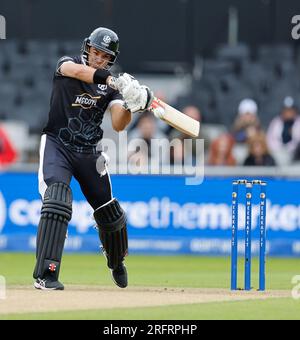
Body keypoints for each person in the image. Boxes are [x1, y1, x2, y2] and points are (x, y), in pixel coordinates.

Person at [33, 27, 153, 290]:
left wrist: (133, 104)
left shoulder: (112, 89)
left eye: (105, 55)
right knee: (57, 198)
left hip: (88, 152)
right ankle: (46, 274)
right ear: (87, 48)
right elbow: (77, 73)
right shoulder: (67, 64)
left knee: (110, 213)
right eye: (96, 52)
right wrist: (110, 80)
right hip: (57, 145)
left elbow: (120, 124)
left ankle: (116, 261)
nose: (98, 58)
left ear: (111, 58)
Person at [266, 97, 300, 165]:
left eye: (291, 110)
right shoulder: (275, 122)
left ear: (295, 111)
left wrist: (290, 148)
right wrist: (280, 149)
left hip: (296, 154)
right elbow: (270, 139)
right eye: (286, 110)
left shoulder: (298, 122)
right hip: (278, 152)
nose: (288, 113)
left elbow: (297, 140)